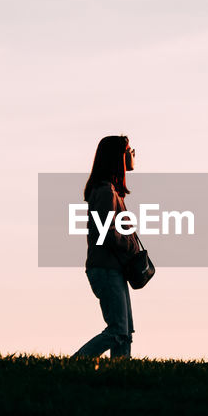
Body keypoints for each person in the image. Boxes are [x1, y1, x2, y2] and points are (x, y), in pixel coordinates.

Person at [73, 135, 142, 362]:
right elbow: (104, 233)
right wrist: (131, 247)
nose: (133, 155)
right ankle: (76, 362)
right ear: (118, 157)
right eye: (130, 150)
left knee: (124, 332)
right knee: (117, 331)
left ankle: (121, 375)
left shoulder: (112, 191)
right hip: (105, 268)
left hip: (113, 268)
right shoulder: (105, 192)